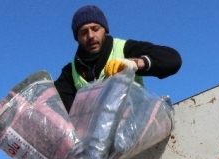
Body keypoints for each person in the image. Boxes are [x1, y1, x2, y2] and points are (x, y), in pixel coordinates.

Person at [54, 5, 182, 112]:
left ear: (105, 30)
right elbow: (59, 109)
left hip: (136, 130)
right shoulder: (70, 72)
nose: (91, 36)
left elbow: (173, 59)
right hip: (97, 138)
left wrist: (136, 63)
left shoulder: (124, 48)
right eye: (83, 32)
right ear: (77, 38)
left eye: (95, 29)